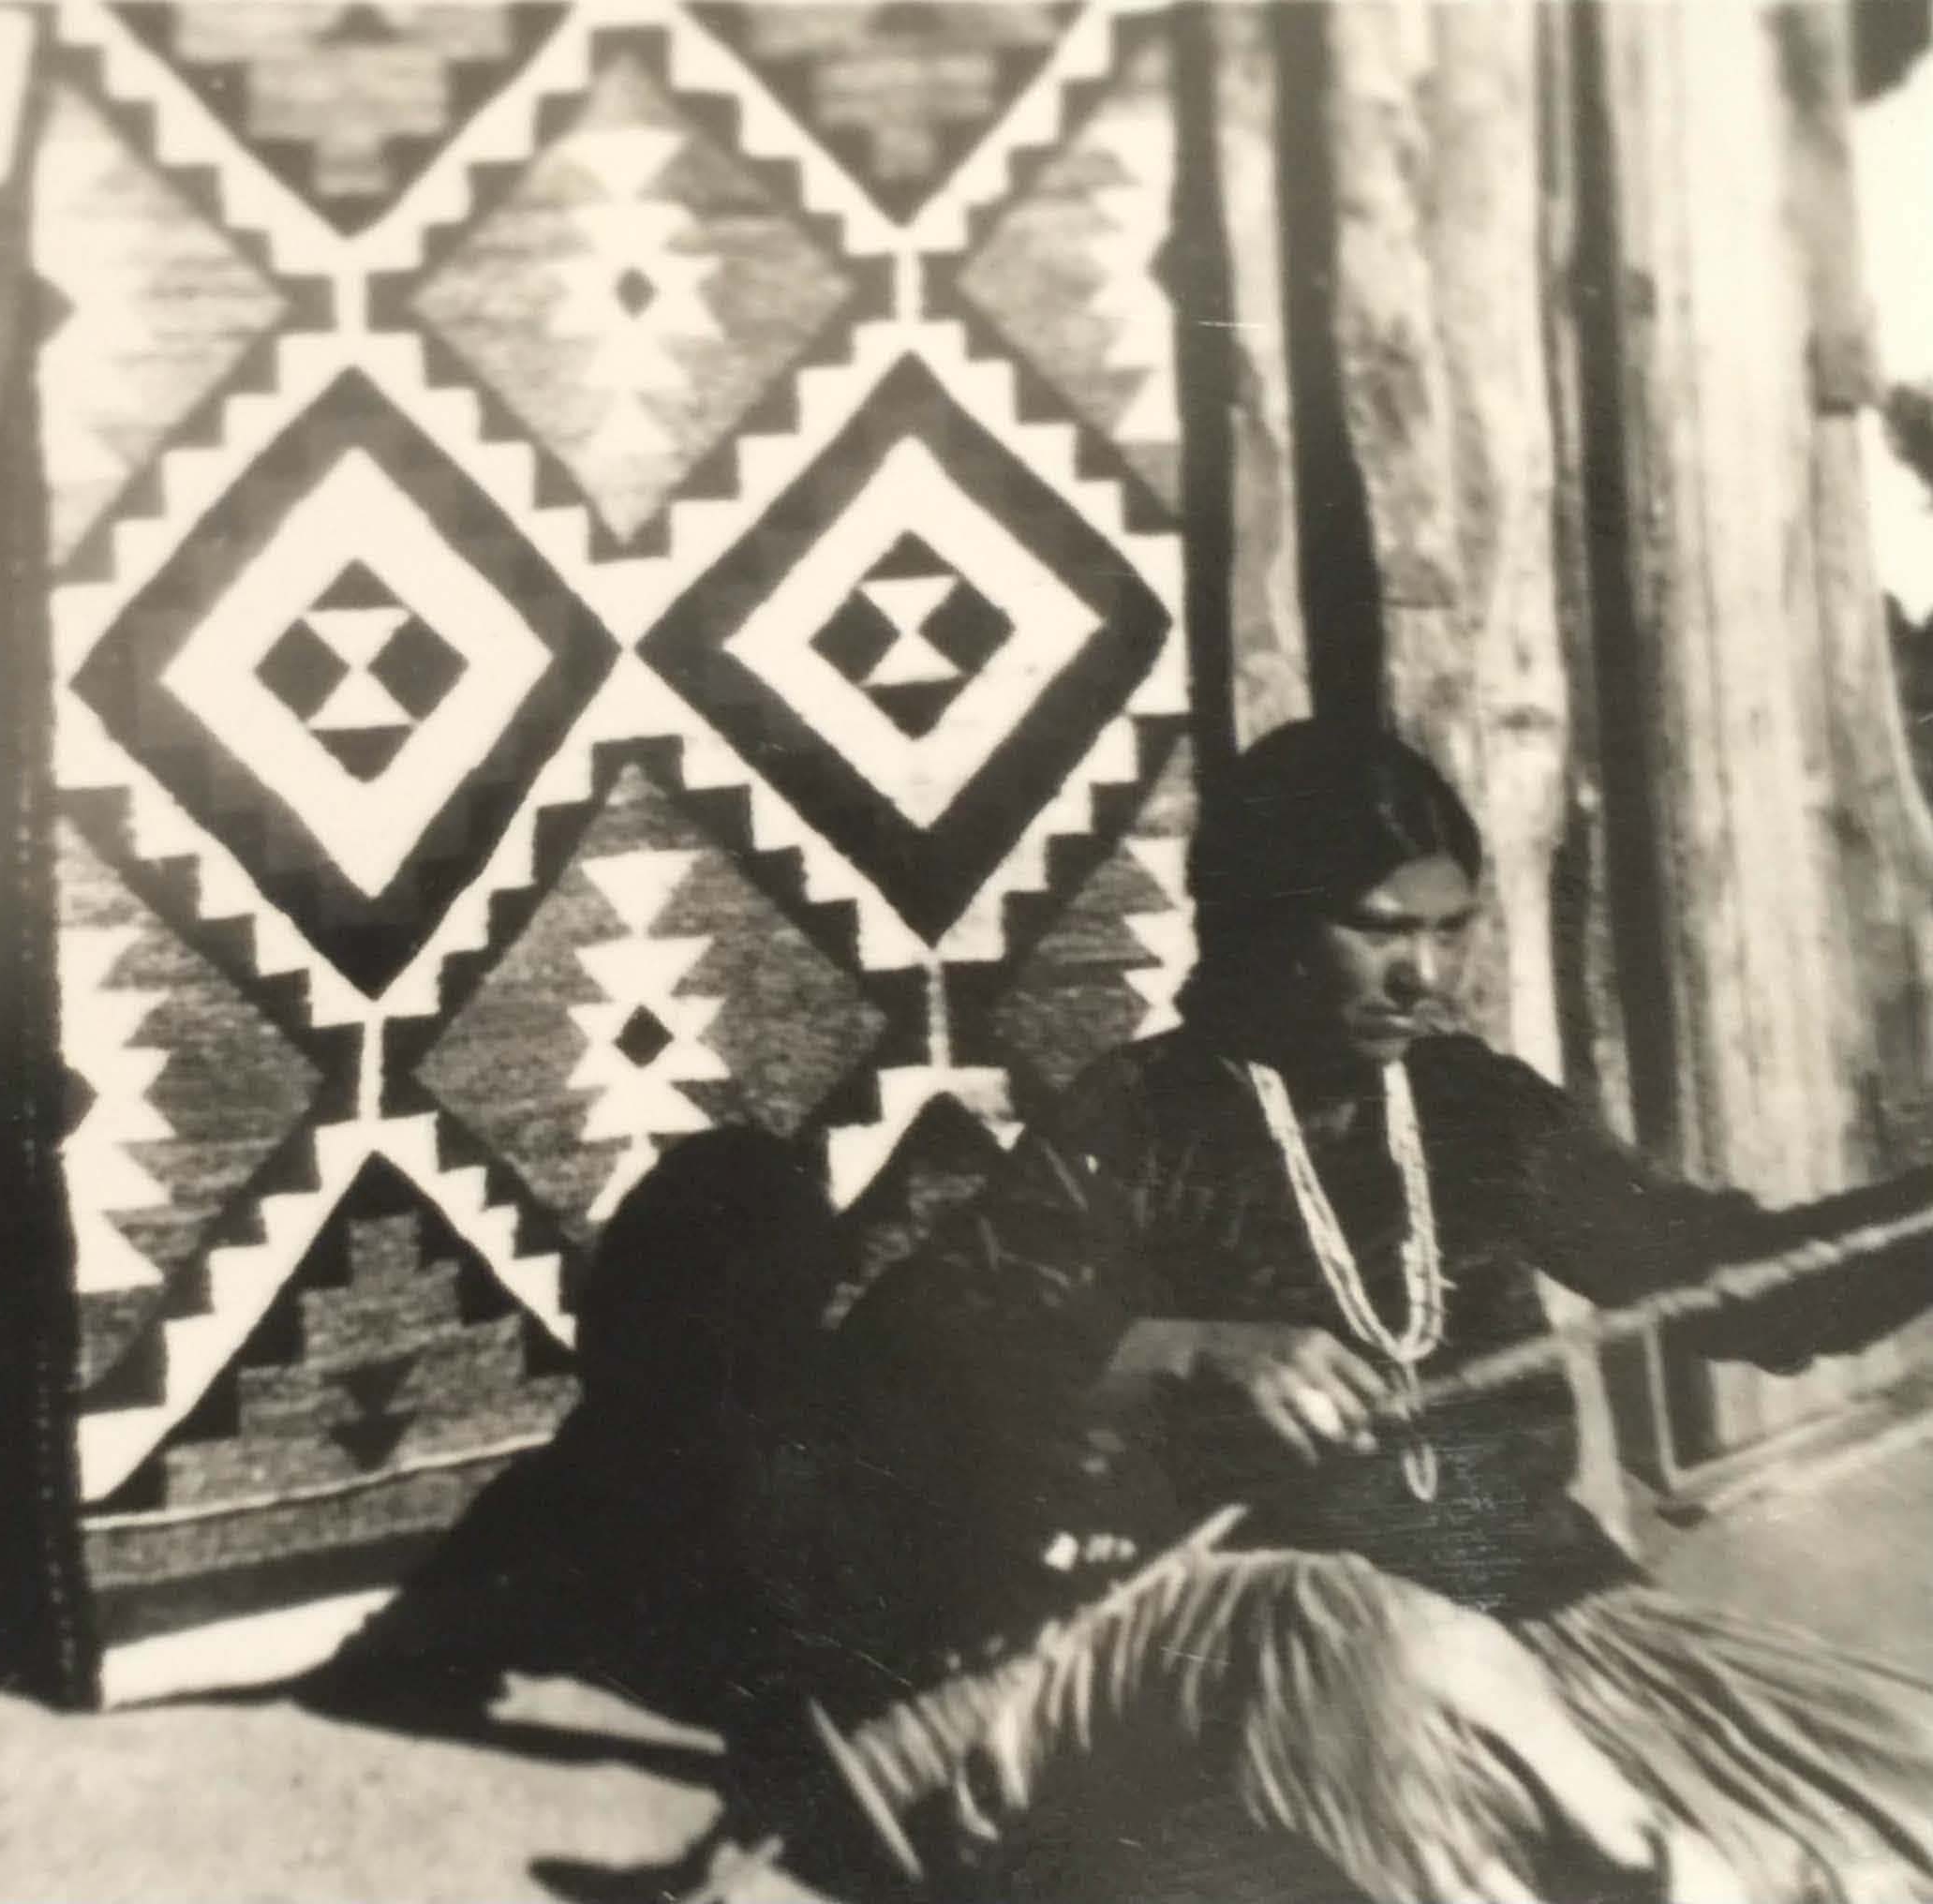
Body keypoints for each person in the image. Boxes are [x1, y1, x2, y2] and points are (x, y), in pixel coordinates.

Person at [783, 721, 1933, 1902]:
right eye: (1378, 930)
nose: (1423, 976)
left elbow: (1742, 1285)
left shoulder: (1481, 1113)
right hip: (1299, 1662)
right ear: (1266, 920)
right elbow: (906, 1361)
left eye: (1449, 930)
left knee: (1895, 1807)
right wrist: (1175, 1353)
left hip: (1557, 1625)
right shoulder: (1147, 1116)